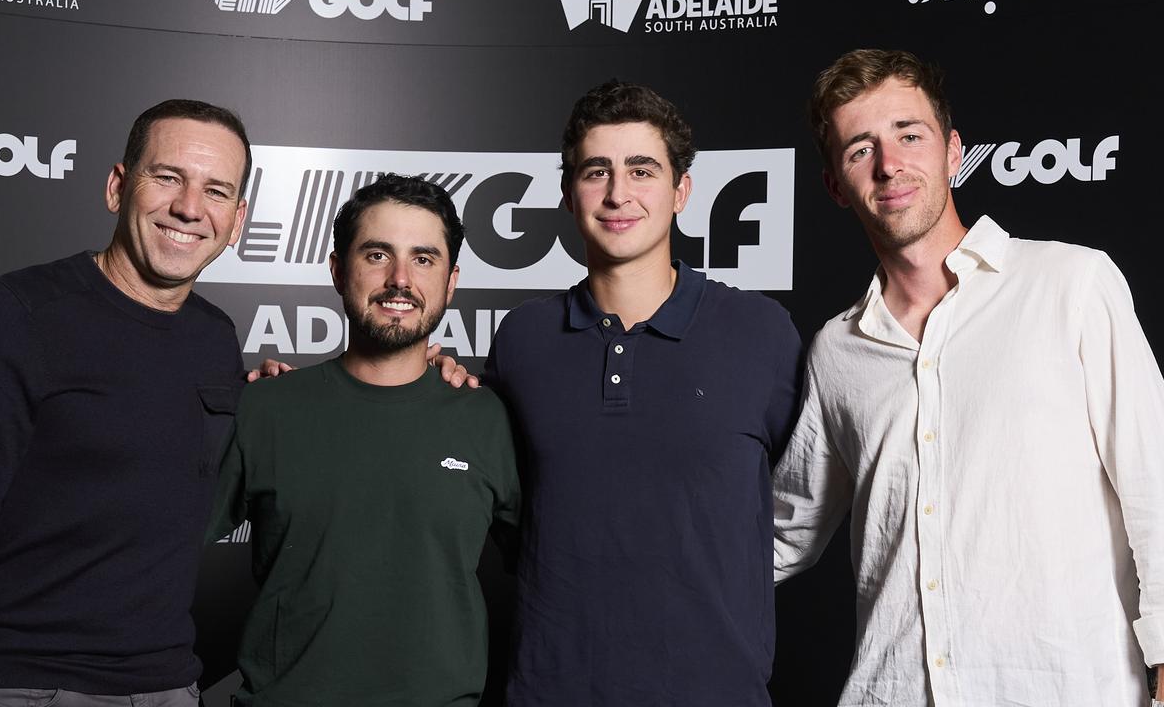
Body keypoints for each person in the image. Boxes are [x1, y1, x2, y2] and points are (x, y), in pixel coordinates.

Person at [772, 48, 1164, 706]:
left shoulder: (1070, 284)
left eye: (909, 135)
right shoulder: (837, 350)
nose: (890, 164)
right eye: (860, 149)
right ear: (837, 185)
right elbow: (786, 532)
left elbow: (1156, 483)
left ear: (953, 152)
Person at [0, 99, 256, 707]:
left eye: (216, 191)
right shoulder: (15, 314)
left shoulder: (216, 337)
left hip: (168, 686)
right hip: (26, 683)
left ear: (237, 219)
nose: (189, 208)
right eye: (168, 177)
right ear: (117, 187)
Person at [484, 81, 802, 706]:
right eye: (596, 170)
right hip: (553, 691)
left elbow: (802, 496)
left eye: (642, 170)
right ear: (568, 192)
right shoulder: (522, 338)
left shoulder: (761, 332)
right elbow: (499, 503)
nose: (618, 193)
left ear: (682, 190)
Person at [208, 173, 520, 706]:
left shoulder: (490, 418)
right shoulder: (265, 407)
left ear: (451, 281)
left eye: (424, 259)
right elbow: (151, 546)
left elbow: (561, 573)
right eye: (377, 255)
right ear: (337, 270)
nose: (400, 279)